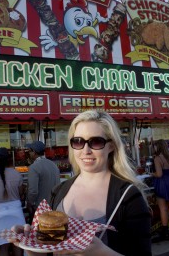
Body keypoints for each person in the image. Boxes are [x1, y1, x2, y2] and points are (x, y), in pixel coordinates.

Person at [9, 110, 152, 256]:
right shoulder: (59, 191)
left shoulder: (128, 196)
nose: (86, 150)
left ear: (111, 146)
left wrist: (101, 252)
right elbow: (49, 252)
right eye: (78, 142)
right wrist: (31, 246)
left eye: (96, 142)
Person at [0, 147, 26, 256]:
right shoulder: (16, 174)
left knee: (3, 245)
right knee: (17, 243)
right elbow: (21, 193)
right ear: (8, 159)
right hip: (16, 212)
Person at [25, 140, 60, 221]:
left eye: (30, 151)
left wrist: (29, 204)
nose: (29, 153)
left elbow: (33, 191)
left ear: (34, 152)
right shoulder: (53, 164)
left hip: (40, 208)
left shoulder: (34, 167)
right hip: (53, 205)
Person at [151, 139, 169, 241]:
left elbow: (159, 174)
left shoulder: (157, 158)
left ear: (158, 147)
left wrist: (151, 174)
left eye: (155, 146)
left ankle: (164, 231)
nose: (154, 148)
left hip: (162, 183)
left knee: (163, 208)